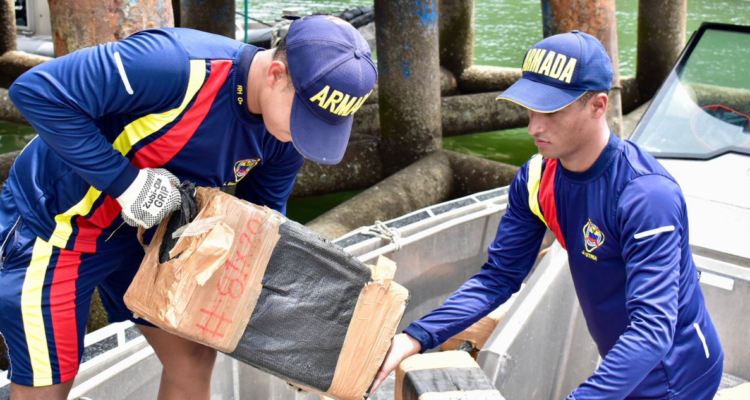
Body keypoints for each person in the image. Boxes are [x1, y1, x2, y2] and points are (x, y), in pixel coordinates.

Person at [0, 15, 376, 400]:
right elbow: (35, 91)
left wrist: (296, 337)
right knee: (48, 381)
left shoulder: (283, 137)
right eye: (306, 119)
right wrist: (126, 184)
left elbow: (261, 228)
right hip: (59, 227)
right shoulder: (174, 64)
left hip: (150, 238)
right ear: (276, 74)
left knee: (194, 358)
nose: (306, 137)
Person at [373, 31, 723, 399]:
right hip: (623, 362)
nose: (533, 126)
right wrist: (417, 336)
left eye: (552, 110)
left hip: (677, 376)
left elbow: (652, 329)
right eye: (531, 106)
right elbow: (499, 277)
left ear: (598, 105)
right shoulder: (538, 178)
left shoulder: (646, 196)